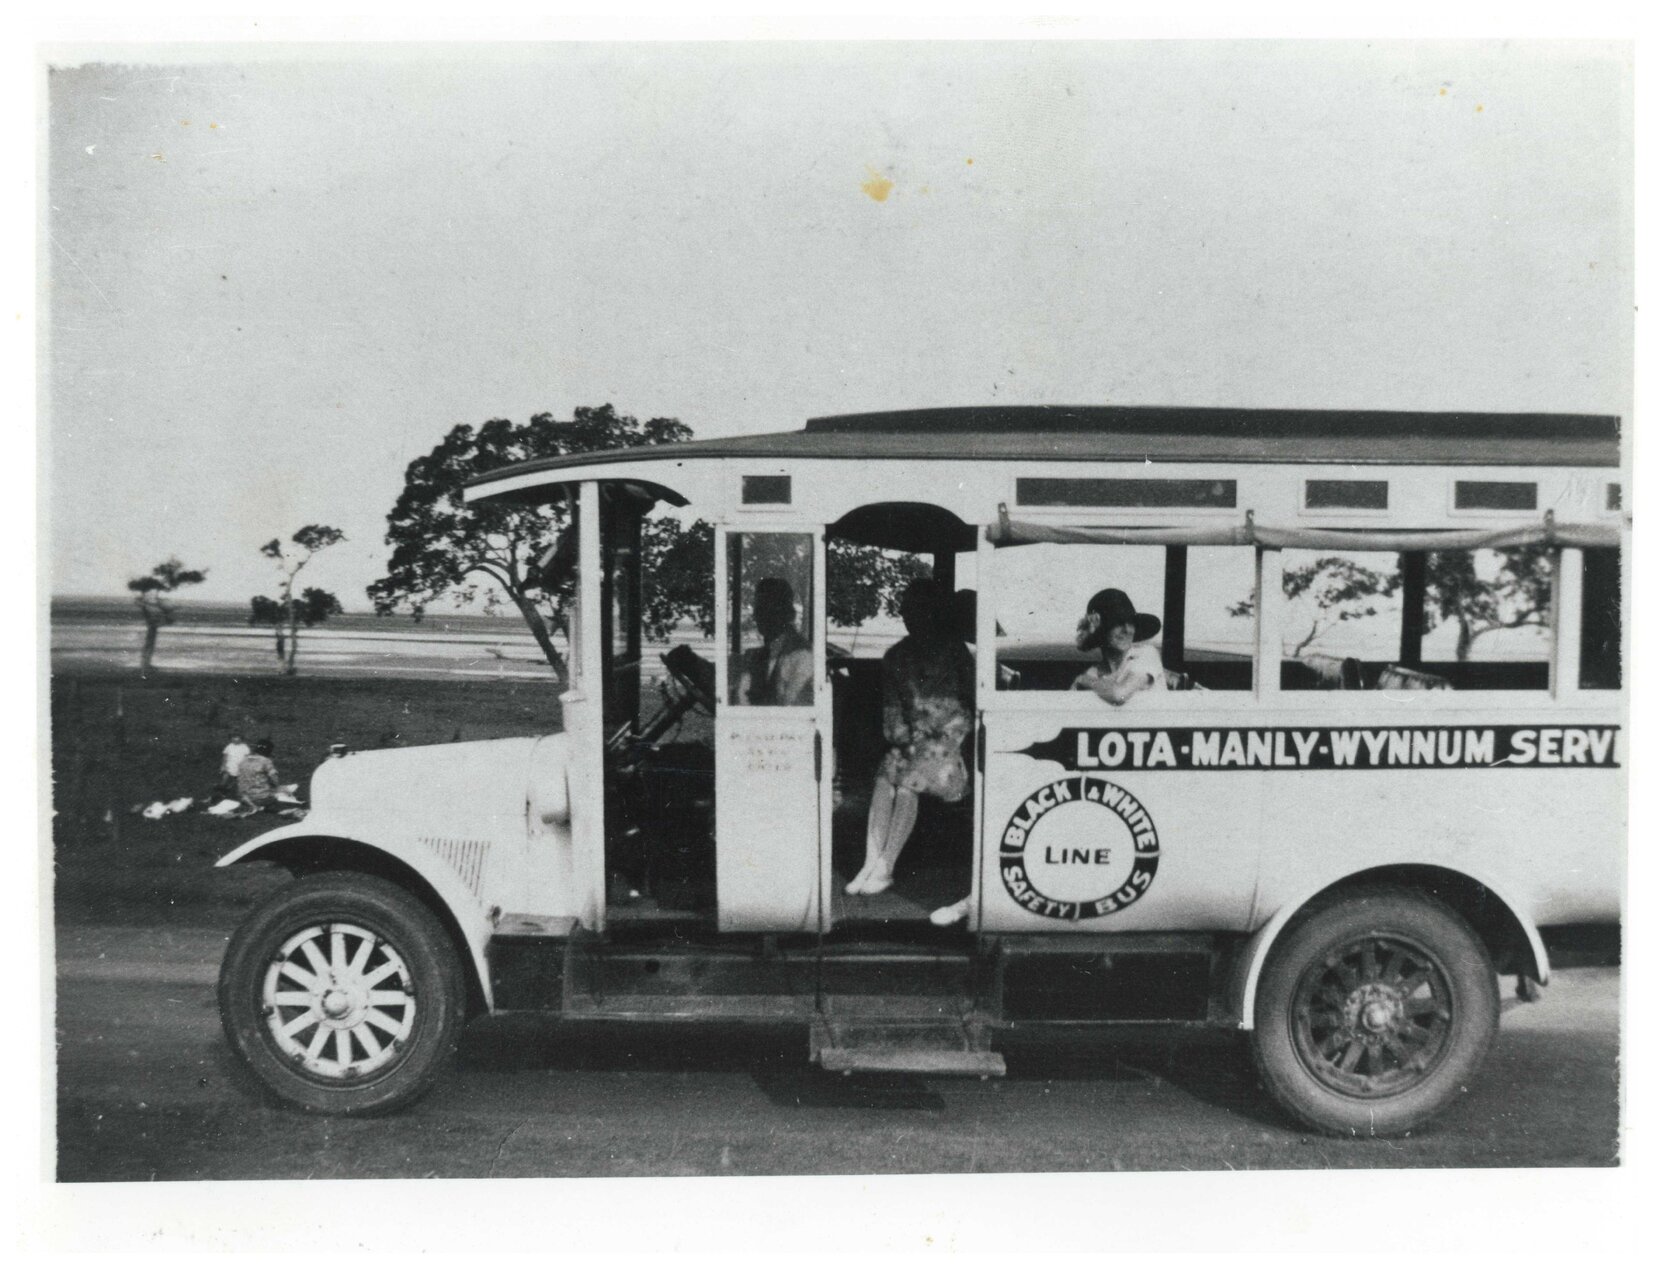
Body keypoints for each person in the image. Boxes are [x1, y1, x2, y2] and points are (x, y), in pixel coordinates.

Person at [847, 578, 974, 897]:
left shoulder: (955, 652)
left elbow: (972, 700)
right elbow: (892, 710)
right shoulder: (896, 656)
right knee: (884, 780)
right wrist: (904, 736)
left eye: (918, 610)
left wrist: (945, 733)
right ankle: (869, 862)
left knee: (905, 782)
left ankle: (886, 866)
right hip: (912, 742)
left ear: (932, 613)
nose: (910, 617)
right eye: (907, 611)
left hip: (947, 750)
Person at [1071, 588, 1165, 704]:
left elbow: (1119, 694)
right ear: (1102, 631)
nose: (1127, 629)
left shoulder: (1145, 654)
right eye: (1118, 623)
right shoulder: (1093, 673)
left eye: (1131, 623)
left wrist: (1084, 680)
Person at [736, 577, 813, 706]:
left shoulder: (801, 655)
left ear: (781, 611)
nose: (755, 616)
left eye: (761, 609)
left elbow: (791, 708)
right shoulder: (762, 654)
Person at [236, 738, 282, 811]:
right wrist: (276, 786)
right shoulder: (266, 761)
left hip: (242, 796)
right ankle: (262, 806)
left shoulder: (244, 759)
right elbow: (274, 779)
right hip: (260, 797)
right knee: (277, 794)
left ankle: (249, 803)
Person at [219, 732, 251, 796]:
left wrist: (246, 766)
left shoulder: (245, 747)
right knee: (225, 777)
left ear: (241, 739)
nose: (235, 739)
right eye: (233, 737)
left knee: (236, 779)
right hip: (229, 765)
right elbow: (225, 756)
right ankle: (221, 788)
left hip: (239, 766)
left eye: (237, 737)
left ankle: (230, 789)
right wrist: (223, 765)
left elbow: (247, 757)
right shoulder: (229, 746)